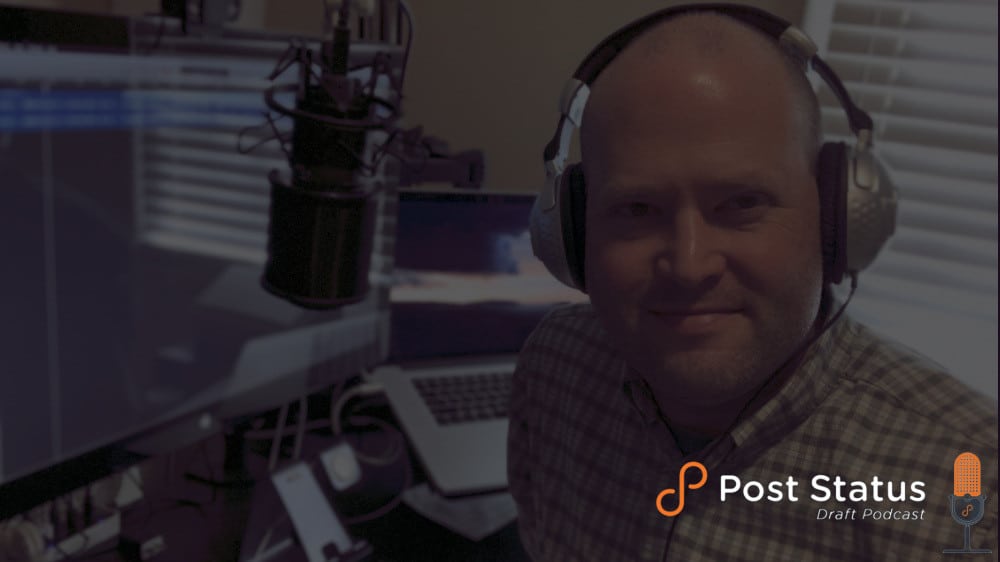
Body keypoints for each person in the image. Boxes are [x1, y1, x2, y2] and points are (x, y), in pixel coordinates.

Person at [507, 6, 998, 562]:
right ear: (571, 235)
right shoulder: (551, 366)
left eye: (742, 203)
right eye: (637, 209)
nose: (689, 266)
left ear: (837, 217)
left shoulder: (970, 494)